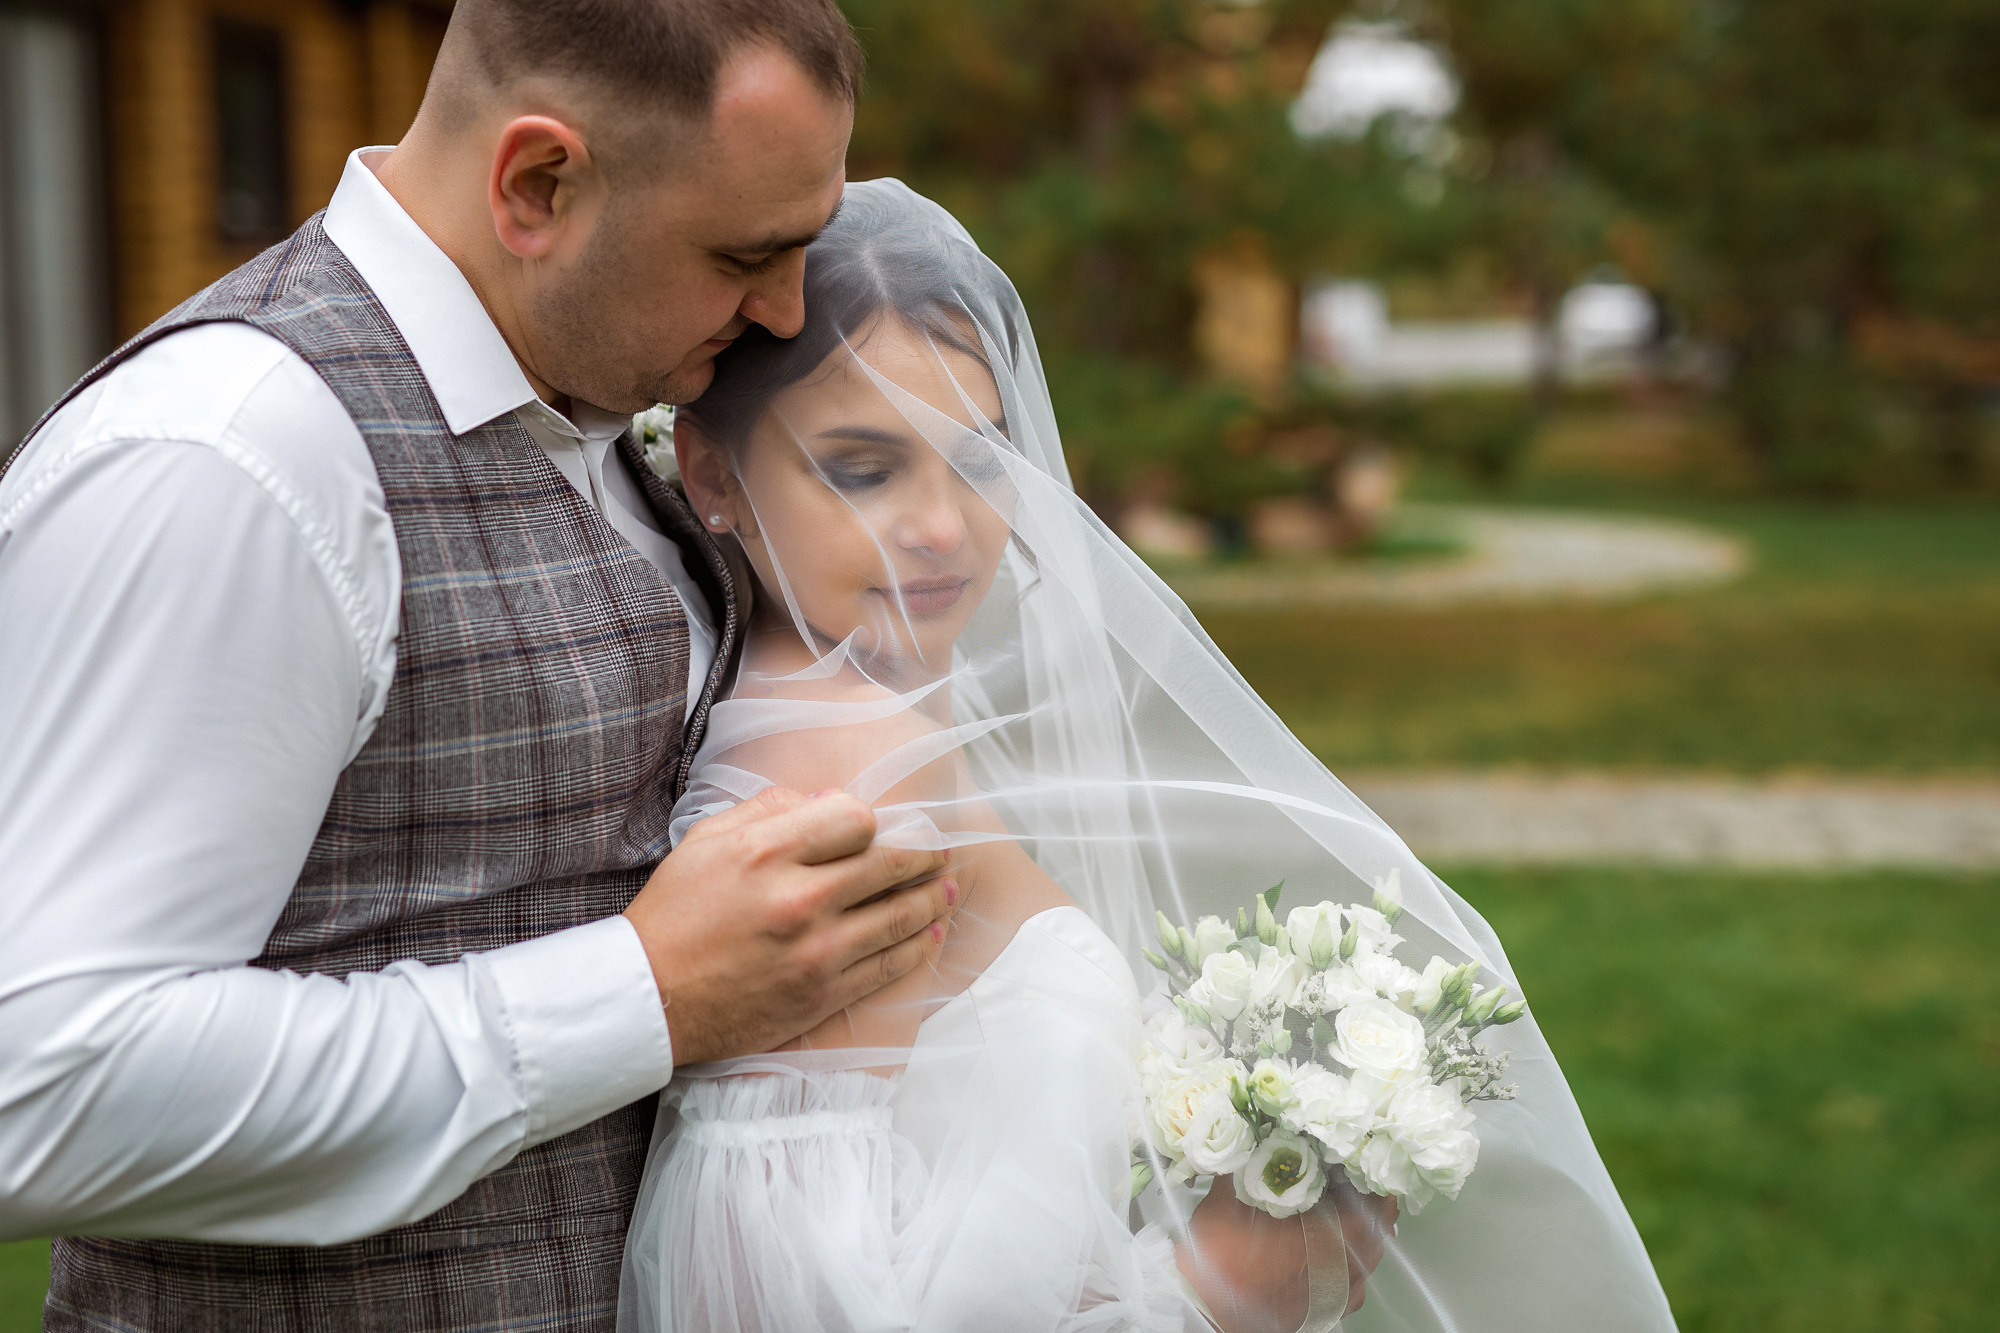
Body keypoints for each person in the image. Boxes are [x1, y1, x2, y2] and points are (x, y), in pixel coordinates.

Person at [0, 3, 961, 1328]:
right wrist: (644, 992)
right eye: (747, 253)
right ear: (538, 183)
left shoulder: (595, 412)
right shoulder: (238, 456)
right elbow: (39, 1089)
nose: (788, 309)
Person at [615, 179, 1681, 1332]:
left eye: (977, 462)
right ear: (713, 475)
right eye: (864, 469)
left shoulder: (807, 709)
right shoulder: (859, 766)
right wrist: (1208, 1301)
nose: (942, 526)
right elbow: (791, 1277)